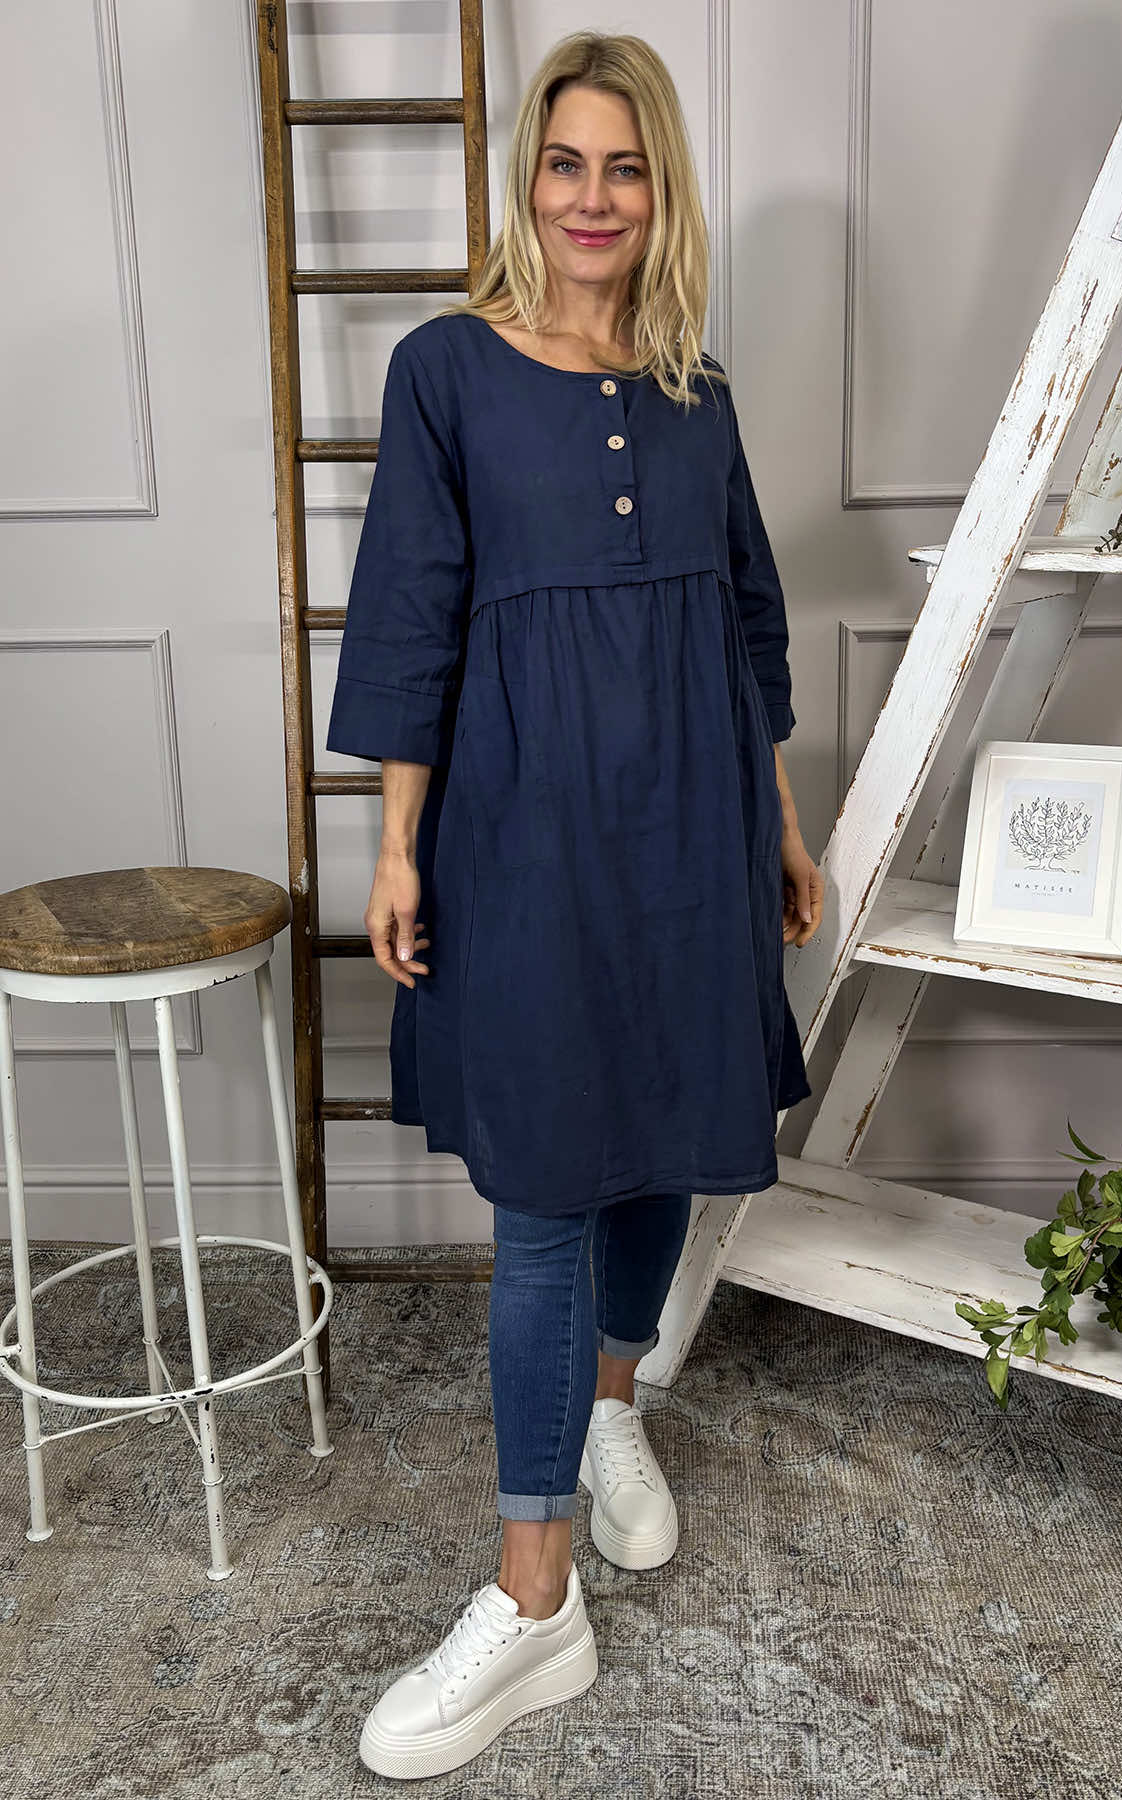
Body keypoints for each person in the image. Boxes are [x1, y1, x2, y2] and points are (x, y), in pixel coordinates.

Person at [325, 29, 825, 1783]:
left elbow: (749, 619)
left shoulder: (698, 389)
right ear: (526, 181)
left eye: (624, 166)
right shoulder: (446, 369)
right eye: (564, 164)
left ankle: (613, 1404)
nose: (592, 198)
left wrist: (778, 820)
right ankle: (534, 1599)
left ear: (658, 187)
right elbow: (409, 609)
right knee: (543, 1191)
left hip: (696, 824)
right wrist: (398, 842)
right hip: (524, 833)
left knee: (665, 1137)